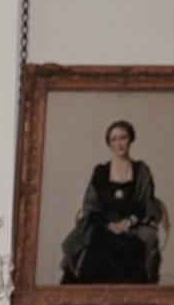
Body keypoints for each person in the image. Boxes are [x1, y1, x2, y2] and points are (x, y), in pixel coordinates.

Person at [60, 120, 163, 284]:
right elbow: (91, 205)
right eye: (114, 139)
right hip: (103, 225)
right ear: (109, 143)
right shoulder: (100, 172)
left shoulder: (141, 170)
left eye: (123, 138)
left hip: (133, 227)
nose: (119, 143)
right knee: (96, 241)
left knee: (134, 247)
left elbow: (146, 202)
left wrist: (128, 222)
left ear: (130, 140)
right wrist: (108, 225)